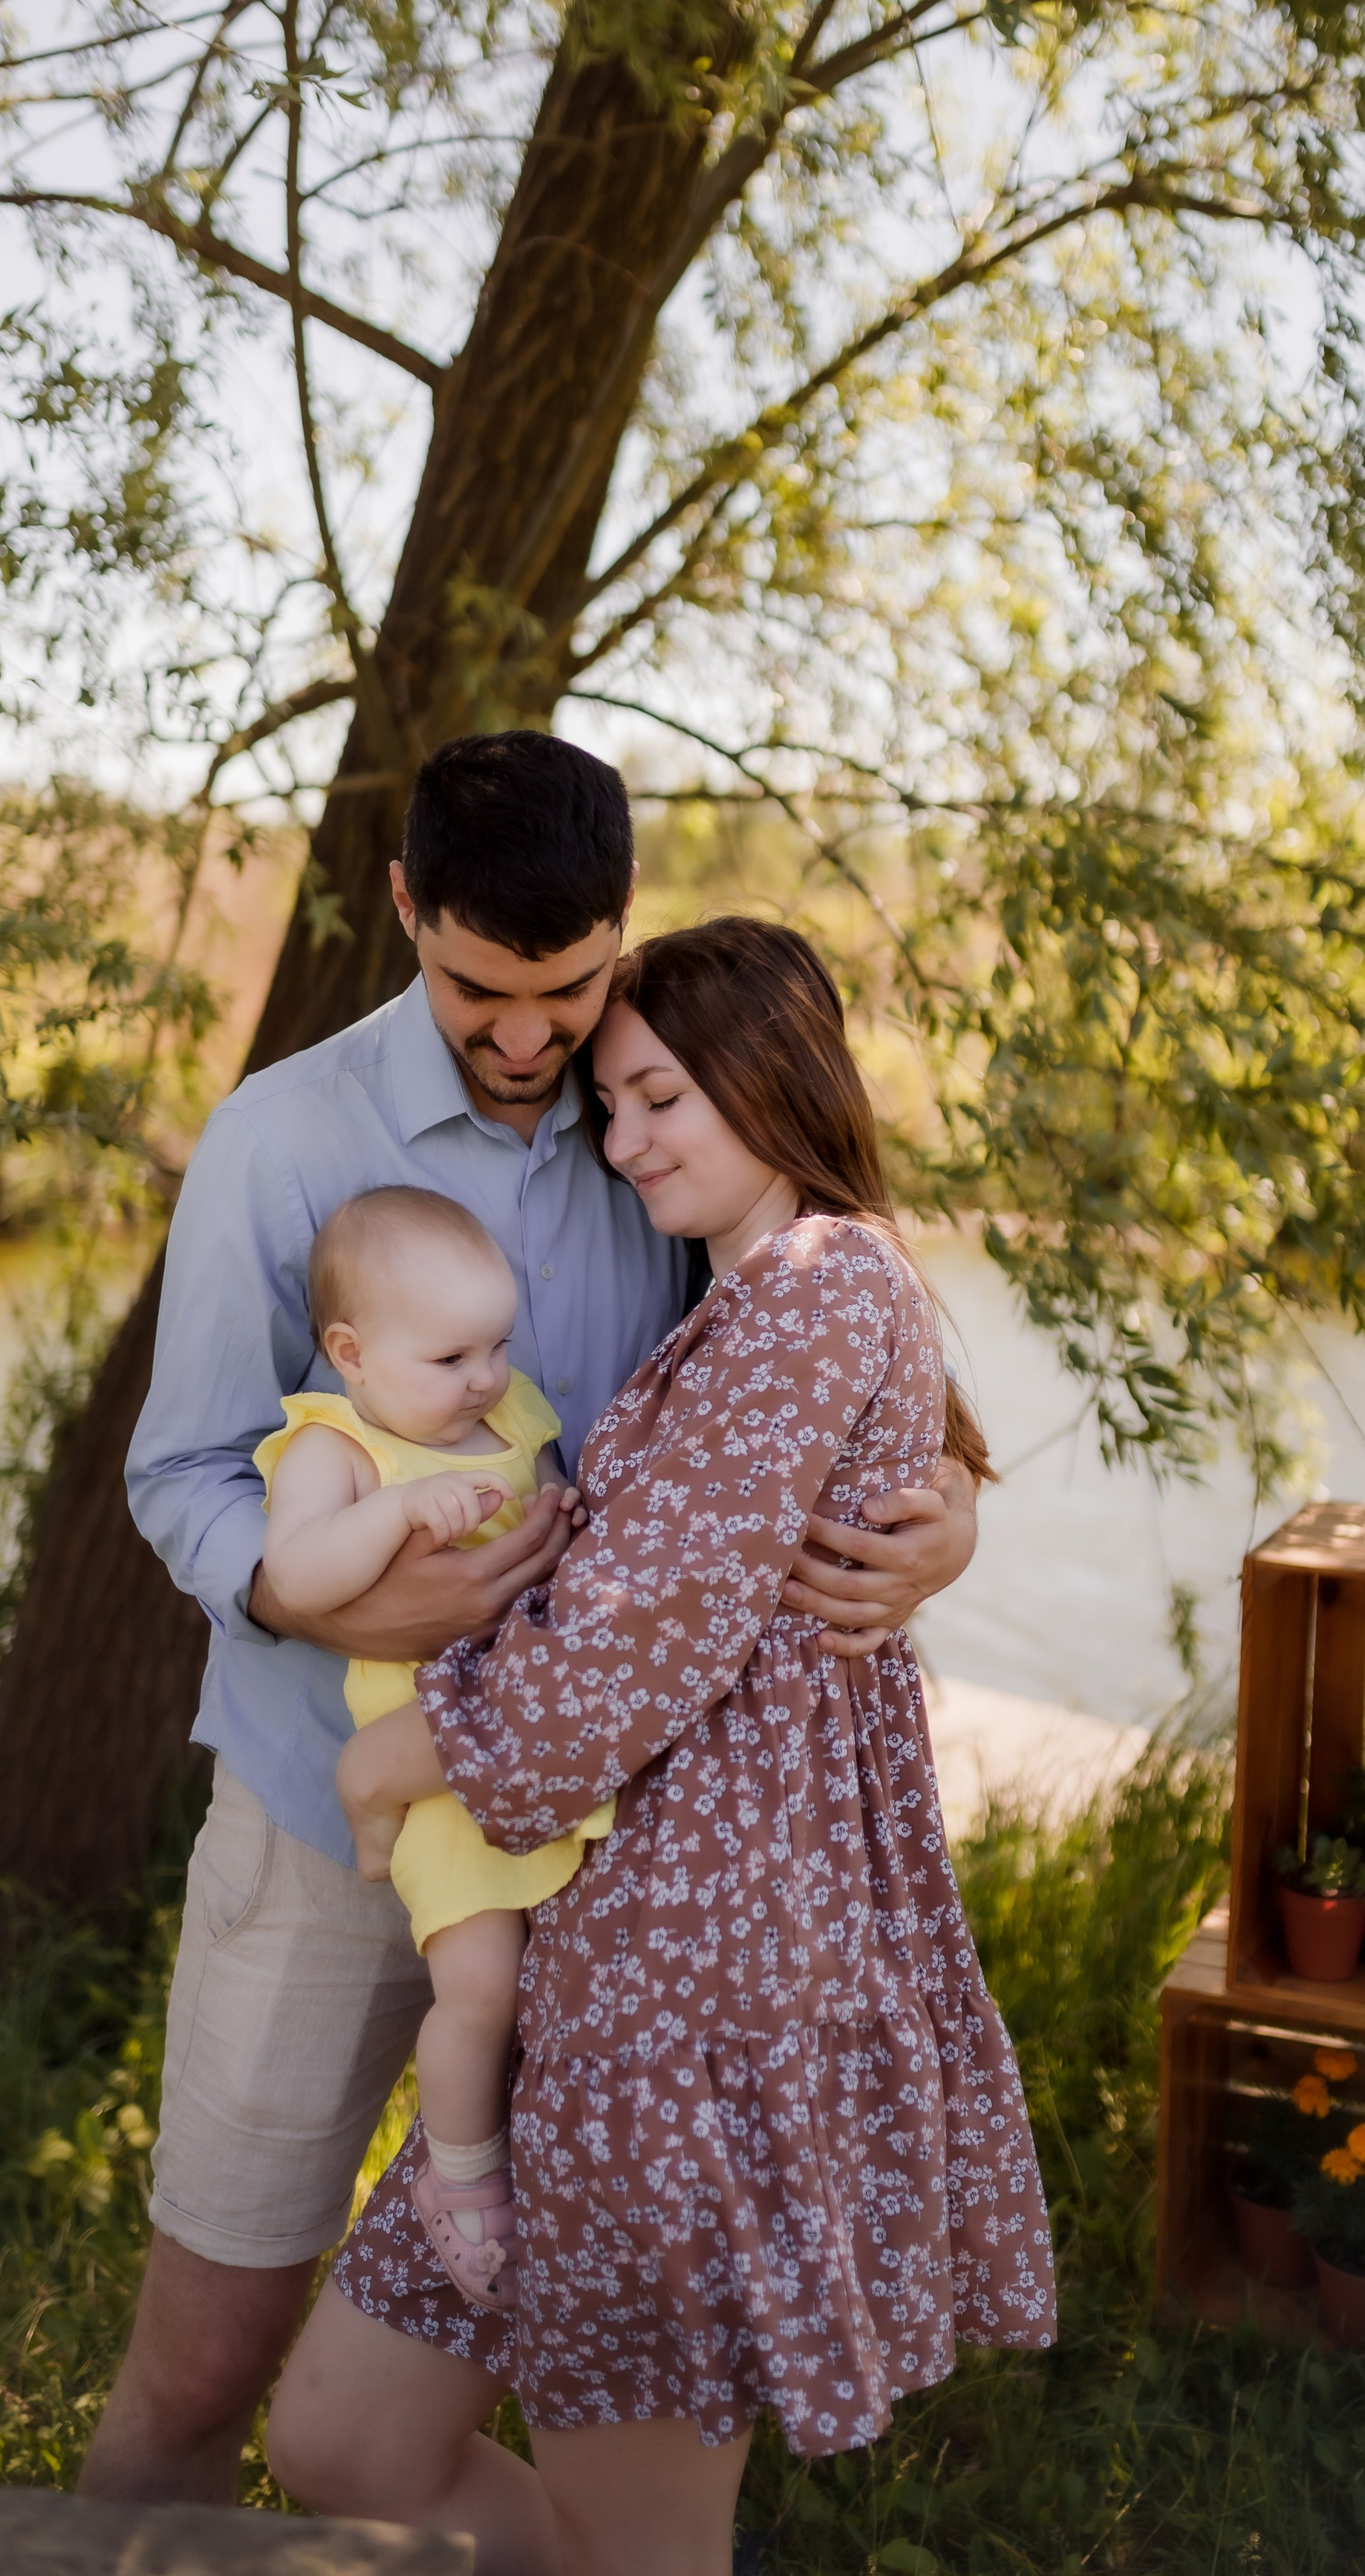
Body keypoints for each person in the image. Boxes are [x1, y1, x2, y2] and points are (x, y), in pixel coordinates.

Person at [82, 735, 979, 2514]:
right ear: (405, 909)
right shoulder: (283, 1141)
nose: (522, 1040)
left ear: (615, 941)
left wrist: (938, 1524)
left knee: (583, 2392)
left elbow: (795, 1396)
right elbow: (181, 1472)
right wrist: (314, 1582)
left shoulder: (655, 1115)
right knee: (202, 2371)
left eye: (562, 992)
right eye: (475, 988)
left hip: (610, 1867)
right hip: (334, 1813)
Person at [266, 919, 1056, 2576]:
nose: (623, 1147)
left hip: (682, 2006)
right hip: (598, 1980)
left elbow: (631, 1641)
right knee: (340, 2442)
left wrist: (393, 1760)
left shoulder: (819, 1288)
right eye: (611, 1111)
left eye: (655, 1100)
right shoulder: (761, 1294)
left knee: (645, 2541)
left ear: (769, 1077)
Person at [257, 1184, 614, 2310]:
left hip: (538, 1742)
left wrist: (561, 1519)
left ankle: (564, 2185)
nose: (485, 1377)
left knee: (562, 1980)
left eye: (498, 1345)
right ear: (351, 1354)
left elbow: (561, 1516)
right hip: (437, 1774)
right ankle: (460, 2178)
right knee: (479, 1987)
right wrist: (399, 1518)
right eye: (453, 1354)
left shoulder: (515, 1421)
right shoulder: (339, 1447)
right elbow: (301, 1575)